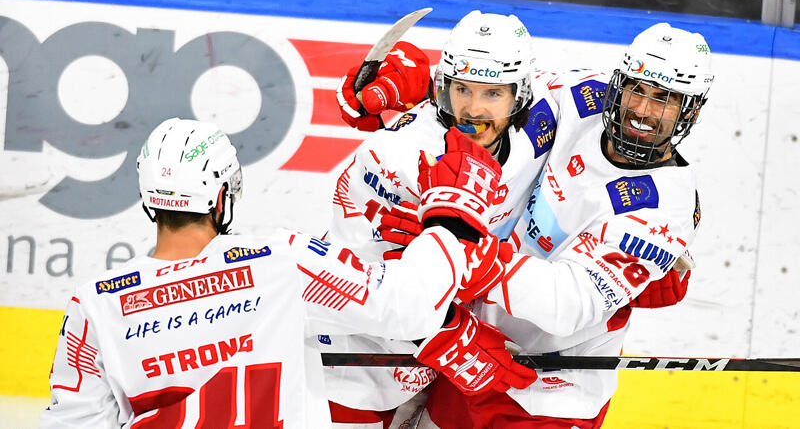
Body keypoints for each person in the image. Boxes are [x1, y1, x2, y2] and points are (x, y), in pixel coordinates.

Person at [39, 118, 536, 428]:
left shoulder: (96, 303)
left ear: (150, 199)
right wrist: (454, 214)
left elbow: (72, 421)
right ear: (220, 199)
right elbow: (403, 308)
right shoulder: (278, 262)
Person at [334, 18, 704, 427]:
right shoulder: (582, 97)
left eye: (665, 100)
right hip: (469, 355)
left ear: (692, 111)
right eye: (636, 89)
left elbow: (567, 305)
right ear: (619, 82)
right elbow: (502, 93)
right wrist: (421, 87)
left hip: (552, 388)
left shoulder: (664, 211)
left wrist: (467, 253)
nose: (643, 110)